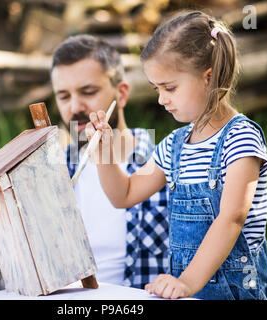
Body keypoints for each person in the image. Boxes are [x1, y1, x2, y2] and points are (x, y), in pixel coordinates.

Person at [85, 10, 267, 299]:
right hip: (187, 292)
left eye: (170, 87)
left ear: (208, 78)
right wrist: (104, 156)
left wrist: (187, 282)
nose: (161, 99)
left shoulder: (240, 138)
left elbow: (231, 218)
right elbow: (123, 194)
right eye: (156, 89)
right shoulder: (175, 145)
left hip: (237, 293)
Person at [50, 35, 169, 289]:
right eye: (63, 96)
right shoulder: (52, 170)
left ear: (122, 94)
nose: (75, 107)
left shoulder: (164, 165)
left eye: (88, 91)